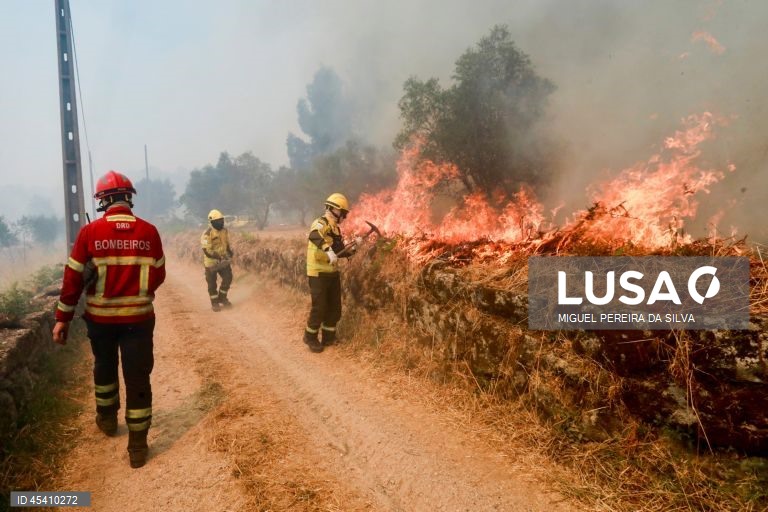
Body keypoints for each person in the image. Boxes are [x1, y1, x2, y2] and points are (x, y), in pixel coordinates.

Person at [52, 170, 166, 469]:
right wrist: (138, 293)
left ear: (102, 201)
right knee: (138, 377)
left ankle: (107, 418)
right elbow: (159, 274)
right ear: (129, 198)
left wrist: (62, 318)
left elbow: (72, 280)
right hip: (139, 320)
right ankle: (138, 447)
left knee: (104, 367)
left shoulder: (89, 234)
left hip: (100, 321)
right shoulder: (149, 232)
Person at [303, 193, 362, 353]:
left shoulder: (336, 228)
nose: (344, 216)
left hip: (331, 273)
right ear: (334, 209)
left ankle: (329, 338)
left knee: (335, 308)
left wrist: (354, 247)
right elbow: (314, 235)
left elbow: (339, 251)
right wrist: (327, 250)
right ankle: (310, 338)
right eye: (343, 212)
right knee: (319, 307)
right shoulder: (320, 223)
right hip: (317, 273)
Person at [201, 209, 234, 312]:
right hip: (211, 264)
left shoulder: (224, 230)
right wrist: (218, 257)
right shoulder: (207, 234)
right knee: (212, 284)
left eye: (222, 220)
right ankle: (215, 303)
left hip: (223, 261)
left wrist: (229, 252)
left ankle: (222, 298)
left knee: (228, 278)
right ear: (212, 222)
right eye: (218, 221)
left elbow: (226, 243)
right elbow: (206, 251)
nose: (221, 222)